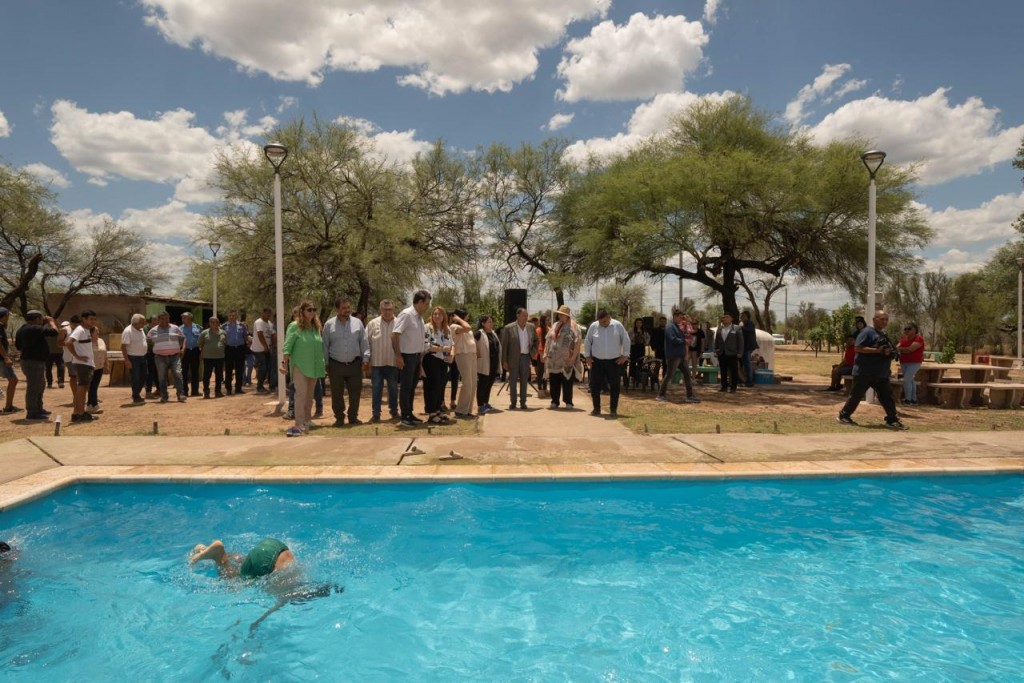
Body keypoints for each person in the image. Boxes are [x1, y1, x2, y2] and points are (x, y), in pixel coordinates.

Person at [837, 310, 907, 430]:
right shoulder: (867, 332)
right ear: (874, 320)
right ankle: (844, 416)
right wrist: (877, 350)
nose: (884, 322)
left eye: (886, 319)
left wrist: (888, 352)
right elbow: (858, 348)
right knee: (856, 395)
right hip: (865, 371)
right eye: (881, 319)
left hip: (880, 373)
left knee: (887, 396)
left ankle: (892, 419)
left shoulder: (882, 334)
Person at [323, 297, 370, 427]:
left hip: (355, 364)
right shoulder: (329, 324)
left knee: (355, 392)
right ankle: (339, 418)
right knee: (336, 393)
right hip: (335, 364)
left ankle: (353, 417)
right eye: (343, 308)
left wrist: (365, 359)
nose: (347, 310)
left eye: (348, 307)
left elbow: (364, 342)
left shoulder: (358, 323)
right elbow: (325, 346)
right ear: (337, 309)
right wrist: (326, 363)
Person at [282, 301, 326, 436]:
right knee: (300, 395)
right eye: (309, 310)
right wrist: (284, 363)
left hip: (314, 366)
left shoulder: (316, 327)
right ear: (302, 311)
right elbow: (287, 345)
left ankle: (307, 420)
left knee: (309, 395)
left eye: (314, 309)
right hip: (300, 365)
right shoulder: (295, 326)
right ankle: (299, 422)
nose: (312, 312)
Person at [392, 290, 431, 428]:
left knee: (412, 387)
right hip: (407, 356)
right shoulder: (407, 314)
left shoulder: (419, 317)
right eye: (426, 303)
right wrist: (398, 356)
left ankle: (409, 413)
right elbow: (395, 335)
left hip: (416, 357)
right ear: (419, 302)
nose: (428, 306)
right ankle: (404, 417)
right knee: (406, 387)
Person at [583, 309, 629, 417]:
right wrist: (587, 356)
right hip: (597, 361)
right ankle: (596, 409)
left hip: (614, 361)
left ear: (609, 317)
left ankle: (613, 410)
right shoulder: (594, 326)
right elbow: (587, 341)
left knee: (615, 386)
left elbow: (626, 340)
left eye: (604, 321)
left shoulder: (617, 325)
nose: (602, 324)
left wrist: (625, 355)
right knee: (594, 385)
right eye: (600, 322)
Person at [14, 311, 59, 420]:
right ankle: (32, 412)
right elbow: (54, 332)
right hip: (33, 362)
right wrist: (51, 322)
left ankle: (38, 408)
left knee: (39, 385)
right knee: (34, 387)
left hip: (31, 361)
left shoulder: (23, 329)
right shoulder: (33, 328)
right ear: (37, 319)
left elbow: (18, 345)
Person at [190, 538, 295, 579]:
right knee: (235, 583)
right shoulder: (290, 592)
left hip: (275, 546)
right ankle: (218, 557)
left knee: (244, 564)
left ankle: (203, 550)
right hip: (266, 562)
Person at [657, 309, 701, 403]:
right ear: (675, 317)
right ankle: (661, 394)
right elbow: (672, 339)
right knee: (669, 375)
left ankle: (690, 396)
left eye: (682, 317)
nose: (682, 319)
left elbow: (689, 331)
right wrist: (684, 341)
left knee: (687, 375)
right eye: (680, 317)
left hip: (680, 355)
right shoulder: (670, 327)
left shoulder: (679, 327)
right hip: (673, 355)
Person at [366, 299, 399, 422]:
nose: (387, 312)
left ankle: (394, 412)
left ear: (393, 309)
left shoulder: (399, 323)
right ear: (380, 310)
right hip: (376, 363)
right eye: (385, 309)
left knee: (393, 389)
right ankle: (376, 414)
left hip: (393, 363)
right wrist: (367, 359)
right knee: (376, 389)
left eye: (390, 309)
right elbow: (366, 343)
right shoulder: (372, 323)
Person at [499, 307, 538, 410]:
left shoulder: (531, 327)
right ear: (518, 315)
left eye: (527, 315)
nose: (526, 317)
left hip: (526, 357)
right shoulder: (508, 328)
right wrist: (504, 361)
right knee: (512, 381)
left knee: (524, 381)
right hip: (512, 358)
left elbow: (536, 341)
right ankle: (513, 402)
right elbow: (504, 346)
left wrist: (533, 353)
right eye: (524, 315)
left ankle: (523, 402)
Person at [422, 306, 454, 425]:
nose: (437, 316)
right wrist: (441, 349)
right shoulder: (427, 328)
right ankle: (431, 413)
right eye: (435, 314)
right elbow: (426, 345)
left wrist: (452, 355)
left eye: (439, 314)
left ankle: (438, 410)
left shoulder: (447, 329)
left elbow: (452, 344)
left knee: (440, 386)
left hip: (444, 361)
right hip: (431, 359)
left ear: (444, 316)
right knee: (432, 386)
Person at [65, 309, 98, 422]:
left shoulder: (87, 330)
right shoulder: (80, 330)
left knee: (83, 388)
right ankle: (78, 413)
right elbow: (68, 342)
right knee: (82, 388)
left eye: (94, 319)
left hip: (87, 363)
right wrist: (77, 356)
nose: (93, 321)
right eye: (90, 319)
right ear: (84, 319)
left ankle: (80, 412)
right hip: (82, 364)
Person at [544, 305, 580, 409]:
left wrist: (573, 358)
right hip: (553, 360)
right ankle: (554, 401)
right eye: (559, 314)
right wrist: (545, 353)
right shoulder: (555, 325)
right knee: (554, 381)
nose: (560, 316)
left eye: (562, 315)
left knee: (567, 381)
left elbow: (577, 343)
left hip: (566, 360)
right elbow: (548, 340)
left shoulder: (573, 326)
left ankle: (568, 401)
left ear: (567, 316)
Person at [147, 311, 186, 403]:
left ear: (169, 318)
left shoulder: (175, 328)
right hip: (160, 357)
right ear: (158, 319)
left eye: (166, 318)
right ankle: (164, 396)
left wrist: (183, 349)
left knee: (178, 374)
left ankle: (180, 394)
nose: (165, 320)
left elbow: (182, 338)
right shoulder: (153, 330)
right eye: (162, 318)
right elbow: (148, 341)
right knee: (162, 377)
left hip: (175, 356)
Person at [448, 308, 476, 418]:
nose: (468, 317)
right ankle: (461, 409)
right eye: (466, 315)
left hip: (471, 355)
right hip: (463, 355)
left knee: (473, 383)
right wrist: (458, 319)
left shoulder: (464, 326)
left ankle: (467, 409)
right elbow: (467, 327)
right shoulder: (454, 326)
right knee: (467, 383)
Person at [474, 315, 501, 414]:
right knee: (482, 384)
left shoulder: (493, 333)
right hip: (484, 363)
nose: (491, 323)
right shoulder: (479, 333)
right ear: (483, 323)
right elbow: (472, 341)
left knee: (489, 384)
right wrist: (477, 351)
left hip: (493, 363)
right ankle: (480, 405)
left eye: (491, 322)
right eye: (489, 322)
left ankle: (486, 403)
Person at [121, 314, 149, 405]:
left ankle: (136, 393)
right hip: (133, 357)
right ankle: (136, 396)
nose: (144, 323)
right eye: (142, 322)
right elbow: (123, 346)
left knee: (144, 375)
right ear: (136, 322)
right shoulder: (128, 331)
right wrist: (127, 360)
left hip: (142, 356)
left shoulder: (140, 330)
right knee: (136, 377)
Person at [714, 312, 743, 393]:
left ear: (731, 319)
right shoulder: (720, 328)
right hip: (722, 353)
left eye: (727, 317)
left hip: (733, 353)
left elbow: (740, 341)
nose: (725, 319)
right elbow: (717, 341)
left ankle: (733, 387)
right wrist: (716, 350)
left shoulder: (736, 328)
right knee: (723, 371)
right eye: (724, 317)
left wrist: (740, 352)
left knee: (734, 371)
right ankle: (724, 387)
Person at [897, 322, 925, 406]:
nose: (907, 330)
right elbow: (896, 347)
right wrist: (902, 349)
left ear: (915, 330)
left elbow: (910, 349)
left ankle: (907, 400)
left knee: (906, 380)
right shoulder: (903, 340)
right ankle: (914, 400)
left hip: (914, 363)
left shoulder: (919, 339)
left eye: (909, 328)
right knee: (911, 380)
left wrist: (901, 349)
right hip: (903, 362)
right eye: (905, 329)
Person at [199, 316, 227, 398]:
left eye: (216, 322)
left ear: (218, 323)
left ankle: (218, 392)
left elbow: (225, 343)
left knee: (219, 376)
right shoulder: (204, 333)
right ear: (209, 323)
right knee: (207, 376)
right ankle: (206, 392)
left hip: (220, 357)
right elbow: (200, 343)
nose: (214, 323)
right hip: (208, 357)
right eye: (212, 322)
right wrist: (202, 352)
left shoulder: (223, 333)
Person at [251, 308, 277, 393]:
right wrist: (265, 347)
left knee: (267, 368)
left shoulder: (269, 323)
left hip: (267, 349)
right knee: (263, 367)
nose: (268, 315)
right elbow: (260, 335)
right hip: (259, 349)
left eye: (269, 314)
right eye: (266, 313)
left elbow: (273, 335)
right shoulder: (259, 322)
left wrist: (274, 345)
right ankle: (259, 387)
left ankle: (268, 385)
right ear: (263, 313)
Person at [222, 310, 248, 395]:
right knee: (228, 369)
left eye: (233, 315)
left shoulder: (242, 325)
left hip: (240, 349)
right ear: (228, 316)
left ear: (236, 316)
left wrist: (246, 346)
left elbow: (245, 336)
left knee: (239, 369)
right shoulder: (224, 326)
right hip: (229, 349)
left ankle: (238, 388)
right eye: (230, 315)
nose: (232, 317)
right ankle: (228, 389)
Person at [86, 325, 110, 414]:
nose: (98, 332)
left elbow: (105, 353)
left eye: (98, 331)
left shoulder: (101, 340)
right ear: (91, 333)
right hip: (91, 367)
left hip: (99, 367)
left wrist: (106, 365)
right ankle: (94, 405)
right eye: (96, 331)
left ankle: (90, 405)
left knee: (94, 387)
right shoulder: (87, 343)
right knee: (92, 386)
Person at [0, 308, 19, 414]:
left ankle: (9, 406)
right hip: (1, 359)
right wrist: (6, 357)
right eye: (7, 315)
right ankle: (8, 406)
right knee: (13, 380)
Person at [179, 312, 202, 397]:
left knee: (195, 371)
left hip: (195, 351)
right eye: (182, 317)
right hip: (184, 351)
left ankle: (195, 391)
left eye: (184, 317)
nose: (183, 319)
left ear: (190, 318)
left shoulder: (198, 327)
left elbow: (202, 340)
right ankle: (184, 391)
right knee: (184, 372)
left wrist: (201, 351)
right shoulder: (179, 329)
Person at [739, 311, 759, 387]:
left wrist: (741, 327)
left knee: (747, 363)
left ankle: (749, 381)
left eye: (742, 316)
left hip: (748, 346)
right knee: (745, 363)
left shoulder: (749, 323)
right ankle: (747, 380)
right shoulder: (744, 324)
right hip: (745, 346)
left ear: (747, 316)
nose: (741, 318)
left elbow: (749, 330)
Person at [628, 318, 649, 389]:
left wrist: (643, 338)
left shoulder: (644, 331)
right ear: (635, 323)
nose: (639, 324)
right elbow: (628, 339)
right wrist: (635, 334)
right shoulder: (631, 330)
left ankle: (639, 378)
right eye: (637, 323)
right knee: (632, 363)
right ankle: (632, 377)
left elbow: (647, 339)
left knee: (640, 363)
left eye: (640, 323)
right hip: (634, 348)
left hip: (641, 348)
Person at [45, 322, 65, 389]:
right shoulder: (45, 331)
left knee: (61, 367)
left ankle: (61, 382)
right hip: (48, 353)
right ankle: (49, 382)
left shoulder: (59, 331)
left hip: (59, 352)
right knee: (48, 368)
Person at [649, 315, 667, 386]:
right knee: (657, 365)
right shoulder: (655, 330)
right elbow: (652, 340)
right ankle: (655, 379)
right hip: (658, 350)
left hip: (666, 351)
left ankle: (664, 380)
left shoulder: (668, 330)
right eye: (661, 321)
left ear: (666, 322)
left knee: (666, 366)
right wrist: (654, 348)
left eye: (664, 321)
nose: (663, 323)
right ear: (659, 322)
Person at [533, 315, 549, 392]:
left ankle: (545, 388)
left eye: (548, 320)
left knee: (546, 372)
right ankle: (540, 388)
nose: (548, 322)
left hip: (547, 354)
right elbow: (538, 344)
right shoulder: (538, 330)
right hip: (540, 355)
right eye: (546, 320)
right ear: (542, 321)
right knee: (540, 372)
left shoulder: (548, 329)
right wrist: (541, 355)